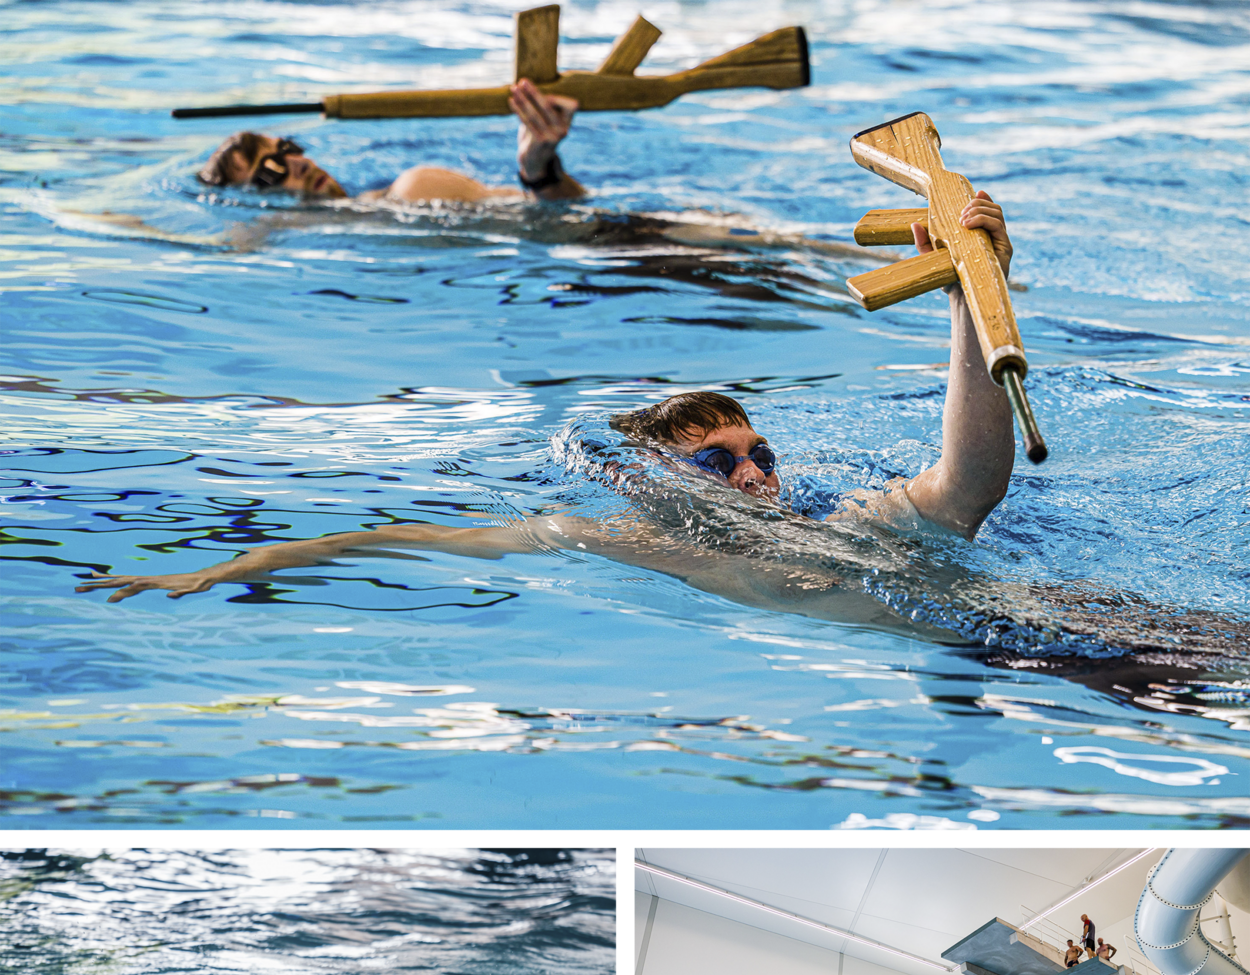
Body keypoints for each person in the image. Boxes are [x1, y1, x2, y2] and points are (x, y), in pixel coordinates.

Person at [75, 190, 1029, 609]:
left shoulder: (845, 518)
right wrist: (236, 565)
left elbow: (971, 484)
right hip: (1007, 654)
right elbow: (404, 539)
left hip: (1037, 622)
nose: (753, 476)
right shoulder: (622, 543)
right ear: (658, 478)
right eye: (718, 462)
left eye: (759, 454)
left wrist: (972, 305)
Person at [197, 79, 583, 204]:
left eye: (288, 149)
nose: (297, 163)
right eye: (272, 171)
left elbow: (565, 222)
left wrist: (538, 172)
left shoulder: (414, 190)